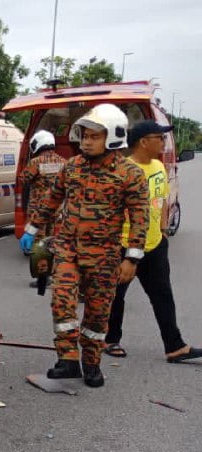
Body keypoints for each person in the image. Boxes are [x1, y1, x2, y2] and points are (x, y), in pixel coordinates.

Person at [19, 104, 149, 387]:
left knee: (98, 313)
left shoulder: (130, 174)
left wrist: (132, 259)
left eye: (94, 136)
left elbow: (140, 218)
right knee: (62, 301)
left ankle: (91, 364)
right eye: (84, 135)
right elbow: (51, 200)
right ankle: (67, 359)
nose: (86, 142)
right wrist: (31, 229)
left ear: (113, 137)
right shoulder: (72, 167)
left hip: (105, 256)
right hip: (67, 249)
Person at [104, 120, 202, 363]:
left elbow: (162, 201)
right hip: (125, 246)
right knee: (115, 296)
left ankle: (175, 346)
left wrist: (163, 231)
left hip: (155, 245)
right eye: (159, 137)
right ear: (143, 142)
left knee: (163, 296)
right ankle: (110, 339)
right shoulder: (122, 170)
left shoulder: (158, 166)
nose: (163, 141)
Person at [20, 130, 66, 236]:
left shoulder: (35, 162)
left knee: (36, 241)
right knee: (51, 240)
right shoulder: (64, 162)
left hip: (38, 210)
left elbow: (23, 180)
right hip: (57, 208)